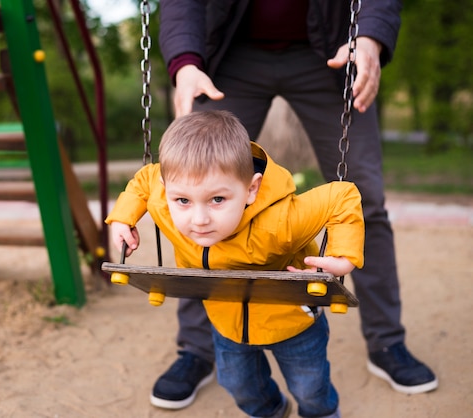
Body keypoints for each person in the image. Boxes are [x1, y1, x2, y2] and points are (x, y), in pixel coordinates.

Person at [151, 0, 438, 409]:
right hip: (228, 48)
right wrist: (184, 60)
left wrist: (370, 35)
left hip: (332, 49)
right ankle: (198, 349)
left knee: (366, 198)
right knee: (198, 187)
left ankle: (386, 342)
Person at [106, 110, 365, 417]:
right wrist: (123, 217)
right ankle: (270, 410)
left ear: (251, 189)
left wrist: (343, 254)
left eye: (217, 200)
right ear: (168, 190)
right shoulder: (165, 199)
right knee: (236, 383)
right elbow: (145, 180)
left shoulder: (279, 222)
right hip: (226, 319)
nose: (199, 220)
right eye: (183, 201)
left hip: (292, 321)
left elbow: (342, 196)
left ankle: (320, 414)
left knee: (309, 387)